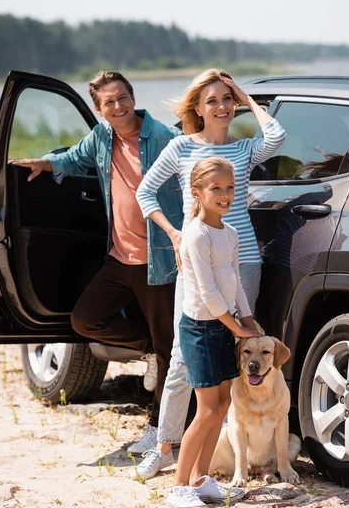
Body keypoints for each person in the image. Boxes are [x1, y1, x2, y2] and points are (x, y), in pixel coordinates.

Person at [12, 71, 183, 455]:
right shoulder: (102, 137)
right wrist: (46, 163)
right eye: (109, 102)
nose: (118, 106)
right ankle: (148, 349)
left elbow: (194, 178)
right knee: (85, 320)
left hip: (160, 260)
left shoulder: (165, 139)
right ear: (98, 109)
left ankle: (160, 431)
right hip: (120, 256)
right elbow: (74, 158)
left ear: (132, 96)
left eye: (122, 97)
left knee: (170, 348)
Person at [135, 68, 286, 482]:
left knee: (230, 358)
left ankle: (212, 456)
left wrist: (244, 95)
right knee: (185, 359)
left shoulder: (243, 150)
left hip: (243, 261)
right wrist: (174, 233)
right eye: (212, 101)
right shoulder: (182, 147)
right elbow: (144, 191)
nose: (221, 107)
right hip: (197, 260)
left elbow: (276, 137)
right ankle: (164, 446)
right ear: (198, 110)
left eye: (226, 100)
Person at [166, 156, 260, 508]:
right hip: (201, 330)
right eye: (216, 188)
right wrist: (237, 328)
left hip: (224, 327)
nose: (225, 194)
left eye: (230, 188)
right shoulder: (195, 235)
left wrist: (247, 320)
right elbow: (207, 292)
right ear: (197, 193)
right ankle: (178, 487)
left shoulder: (230, 233)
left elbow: (233, 283)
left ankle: (201, 480)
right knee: (205, 410)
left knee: (222, 406)